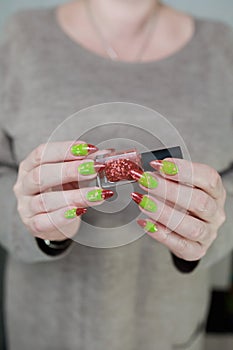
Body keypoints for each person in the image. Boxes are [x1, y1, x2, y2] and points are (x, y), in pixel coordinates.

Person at [0, 0, 233, 349]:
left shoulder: (223, 48)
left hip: (169, 330)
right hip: (45, 328)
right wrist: (37, 224)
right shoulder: (20, 38)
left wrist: (207, 229)